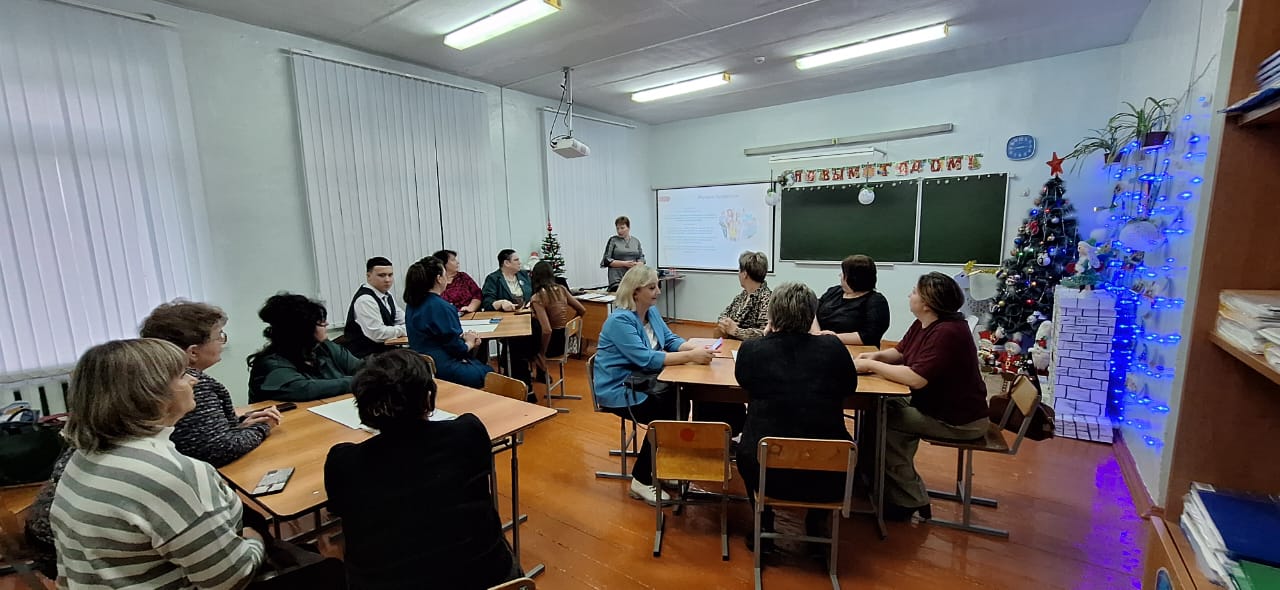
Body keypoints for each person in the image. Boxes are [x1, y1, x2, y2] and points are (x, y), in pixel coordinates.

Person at [50, 339, 265, 588]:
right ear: (150, 395)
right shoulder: (172, 473)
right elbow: (229, 579)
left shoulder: (82, 456)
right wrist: (255, 539)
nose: (193, 380)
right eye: (181, 375)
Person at [325, 350, 520, 590]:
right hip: (489, 579)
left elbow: (336, 511)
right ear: (428, 398)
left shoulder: (343, 461)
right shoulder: (467, 432)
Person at [854, 272, 989, 521]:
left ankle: (908, 499)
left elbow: (916, 378)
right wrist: (876, 356)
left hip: (958, 420)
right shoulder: (926, 323)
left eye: (914, 292)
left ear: (927, 303)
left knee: (886, 419)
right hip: (934, 405)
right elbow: (901, 352)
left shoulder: (947, 332)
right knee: (876, 406)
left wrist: (872, 366)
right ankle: (870, 477)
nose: (910, 295)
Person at [736, 282, 858, 551]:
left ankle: (764, 523)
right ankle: (817, 521)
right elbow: (849, 387)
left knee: (748, 446)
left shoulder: (752, 350)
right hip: (829, 471)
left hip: (765, 467)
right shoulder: (833, 348)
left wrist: (766, 338)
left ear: (772, 315)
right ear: (811, 315)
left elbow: (745, 381)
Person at [593, 264, 713, 504]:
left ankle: (659, 467)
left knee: (680, 400)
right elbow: (646, 359)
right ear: (635, 292)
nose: (658, 291)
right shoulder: (620, 321)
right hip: (620, 389)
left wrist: (694, 348)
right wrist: (691, 356)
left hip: (643, 382)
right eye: (652, 287)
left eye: (657, 286)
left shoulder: (651, 311)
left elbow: (669, 339)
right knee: (665, 413)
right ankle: (641, 479)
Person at [140, 300, 281, 466]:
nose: (222, 341)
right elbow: (220, 449)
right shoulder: (193, 386)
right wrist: (263, 427)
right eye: (219, 336)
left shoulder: (156, 378)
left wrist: (240, 424)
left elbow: (200, 435)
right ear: (193, 352)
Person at [248, 293, 363, 402]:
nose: (326, 324)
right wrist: (356, 381)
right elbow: (304, 389)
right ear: (302, 329)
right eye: (320, 321)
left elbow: (363, 368)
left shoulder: (325, 347)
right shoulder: (271, 363)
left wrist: (366, 377)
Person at [404, 256, 493, 388]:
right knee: (490, 374)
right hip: (444, 367)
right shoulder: (442, 306)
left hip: (421, 366)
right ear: (439, 278)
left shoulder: (412, 304)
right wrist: (470, 342)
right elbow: (457, 349)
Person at [815, 254, 891, 347]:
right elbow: (812, 311)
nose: (840, 275)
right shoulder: (834, 291)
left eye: (843, 273)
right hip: (821, 343)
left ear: (853, 277)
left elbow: (870, 336)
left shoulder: (876, 301)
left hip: (852, 349)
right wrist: (817, 333)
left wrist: (833, 337)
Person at [342, 256, 407, 358]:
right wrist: (404, 330)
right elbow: (378, 334)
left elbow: (404, 319)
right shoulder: (365, 300)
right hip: (366, 357)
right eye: (382, 275)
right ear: (368, 276)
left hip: (385, 353)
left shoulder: (387, 296)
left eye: (390, 275)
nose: (387, 280)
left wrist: (407, 327)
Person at [529, 260, 586, 375]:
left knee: (520, 345)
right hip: (564, 342)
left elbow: (547, 330)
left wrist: (542, 353)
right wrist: (570, 326)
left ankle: (528, 378)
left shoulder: (537, 297)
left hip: (551, 346)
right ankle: (541, 375)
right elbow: (582, 310)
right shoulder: (562, 289)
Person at [716, 251, 772, 340]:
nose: (738, 274)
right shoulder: (741, 296)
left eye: (739, 270)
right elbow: (724, 315)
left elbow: (765, 333)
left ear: (745, 274)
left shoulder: (767, 299)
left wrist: (737, 331)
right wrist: (724, 323)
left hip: (750, 347)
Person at [600, 215, 644, 290]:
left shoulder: (636, 241)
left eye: (622, 228)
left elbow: (641, 257)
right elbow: (607, 260)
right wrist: (624, 263)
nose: (619, 231)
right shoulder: (613, 240)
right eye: (617, 228)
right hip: (617, 278)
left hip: (633, 277)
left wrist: (639, 264)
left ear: (628, 228)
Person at [434, 249, 483, 314]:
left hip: (469, 315)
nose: (457, 262)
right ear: (443, 263)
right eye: (453, 260)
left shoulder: (463, 277)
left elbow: (477, 294)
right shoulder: (435, 281)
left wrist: (470, 308)